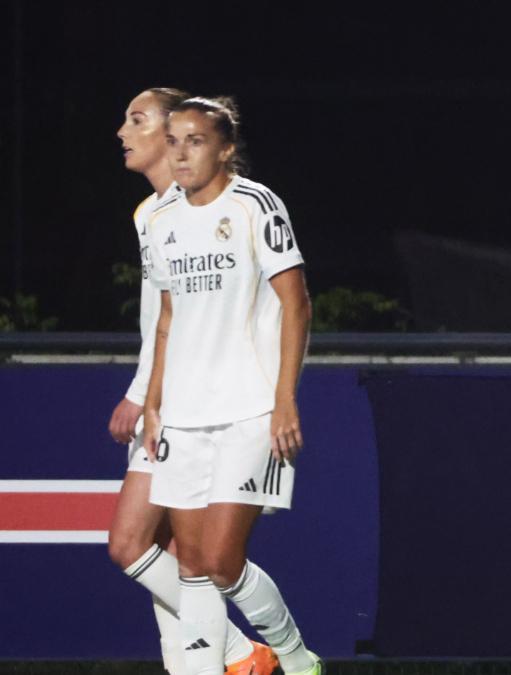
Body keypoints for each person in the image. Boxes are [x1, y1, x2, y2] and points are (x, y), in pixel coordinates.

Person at [142, 96, 322, 675]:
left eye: (195, 141)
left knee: (222, 560)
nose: (181, 153)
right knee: (191, 563)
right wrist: (153, 404)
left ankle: (296, 658)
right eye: (173, 141)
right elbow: (167, 319)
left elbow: (297, 304)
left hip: (249, 410)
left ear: (225, 150)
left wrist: (284, 399)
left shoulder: (254, 205)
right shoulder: (160, 220)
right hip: (183, 415)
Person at [110, 87, 277, 675]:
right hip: (168, 401)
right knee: (166, 552)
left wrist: (141, 394)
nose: (122, 132)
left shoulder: (227, 206)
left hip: (210, 406)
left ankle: (244, 653)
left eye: (136, 120)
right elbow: (161, 317)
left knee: (139, 545)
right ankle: (213, 662)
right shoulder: (151, 215)